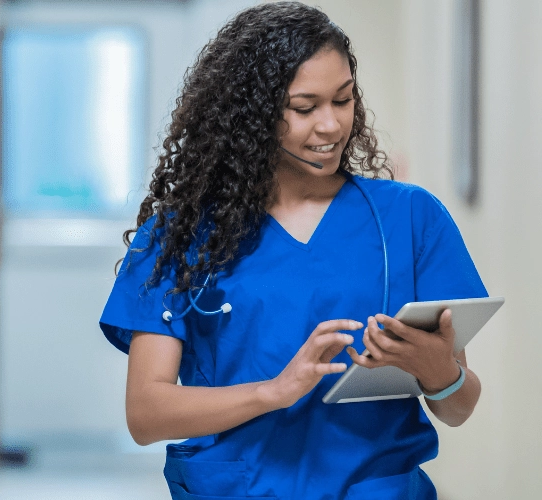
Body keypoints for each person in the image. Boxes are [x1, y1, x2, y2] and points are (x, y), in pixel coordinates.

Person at [98, 2, 487, 499]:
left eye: (343, 100)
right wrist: (273, 391)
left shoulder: (410, 219)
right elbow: (146, 415)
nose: (330, 127)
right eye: (305, 108)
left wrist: (440, 373)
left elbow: (460, 407)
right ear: (252, 115)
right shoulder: (182, 234)